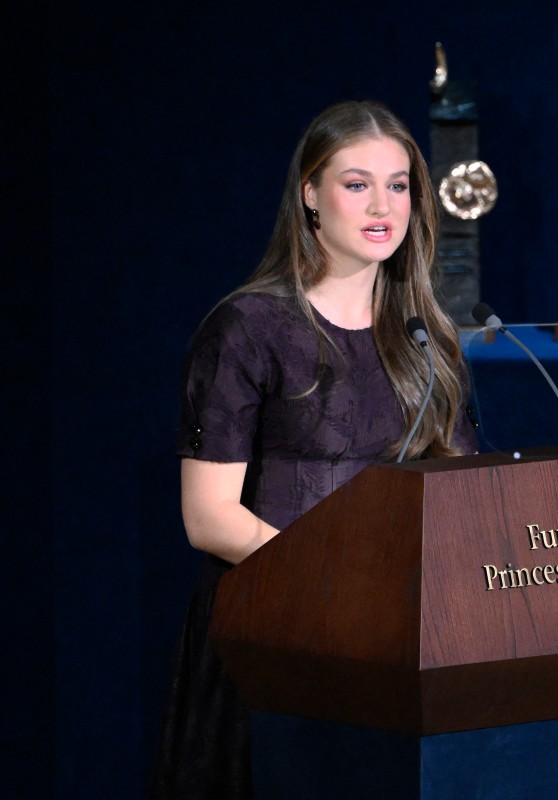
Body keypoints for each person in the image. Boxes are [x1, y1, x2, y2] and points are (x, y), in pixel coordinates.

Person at [148, 98, 477, 798]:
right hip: (273, 638)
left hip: (392, 647)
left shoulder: (426, 337)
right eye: (357, 184)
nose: (382, 205)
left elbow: (458, 491)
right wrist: (337, 587)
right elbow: (208, 516)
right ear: (310, 194)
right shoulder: (248, 328)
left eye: (398, 185)